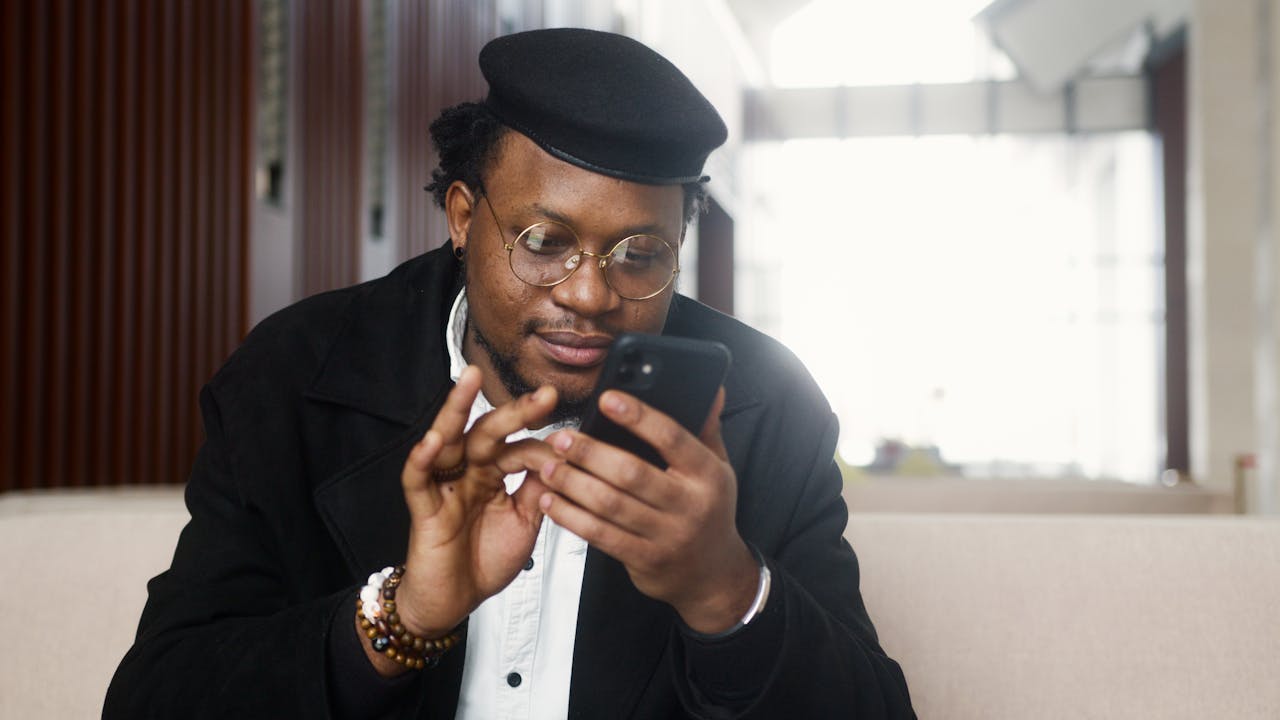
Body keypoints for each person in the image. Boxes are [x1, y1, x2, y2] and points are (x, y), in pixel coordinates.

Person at [105, 28, 914, 719]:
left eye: (640, 254)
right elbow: (155, 699)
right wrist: (402, 618)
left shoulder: (771, 408)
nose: (590, 295)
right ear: (463, 216)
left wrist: (725, 592)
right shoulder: (293, 377)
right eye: (544, 242)